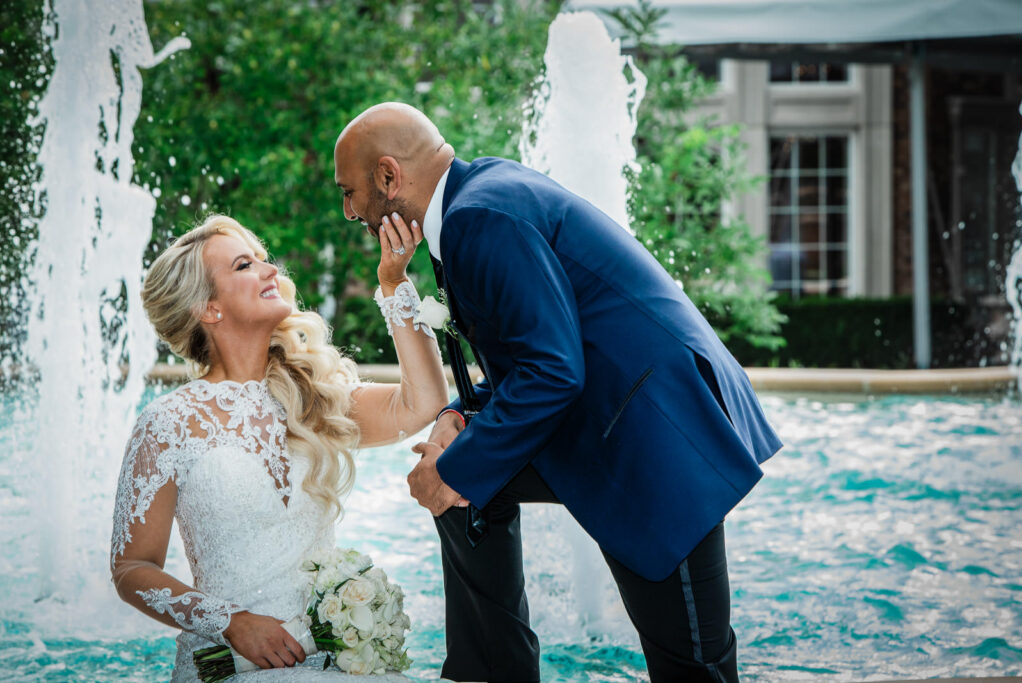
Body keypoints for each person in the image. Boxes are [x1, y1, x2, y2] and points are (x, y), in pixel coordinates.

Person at [333, 102, 783, 683]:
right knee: (463, 484)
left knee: (695, 666)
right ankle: (491, 672)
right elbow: (525, 355)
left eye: (349, 192)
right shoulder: (476, 198)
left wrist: (457, 465)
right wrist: (456, 420)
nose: (348, 211)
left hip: (658, 435)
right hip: (613, 423)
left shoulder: (479, 217)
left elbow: (552, 371)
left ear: (389, 177)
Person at [109, 213, 447, 681]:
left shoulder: (315, 398)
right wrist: (230, 623)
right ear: (209, 308)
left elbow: (425, 401)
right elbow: (131, 567)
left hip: (334, 661)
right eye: (246, 265)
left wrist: (393, 282)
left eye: (265, 261)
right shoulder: (167, 423)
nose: (272, 272)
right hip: (230, 665)